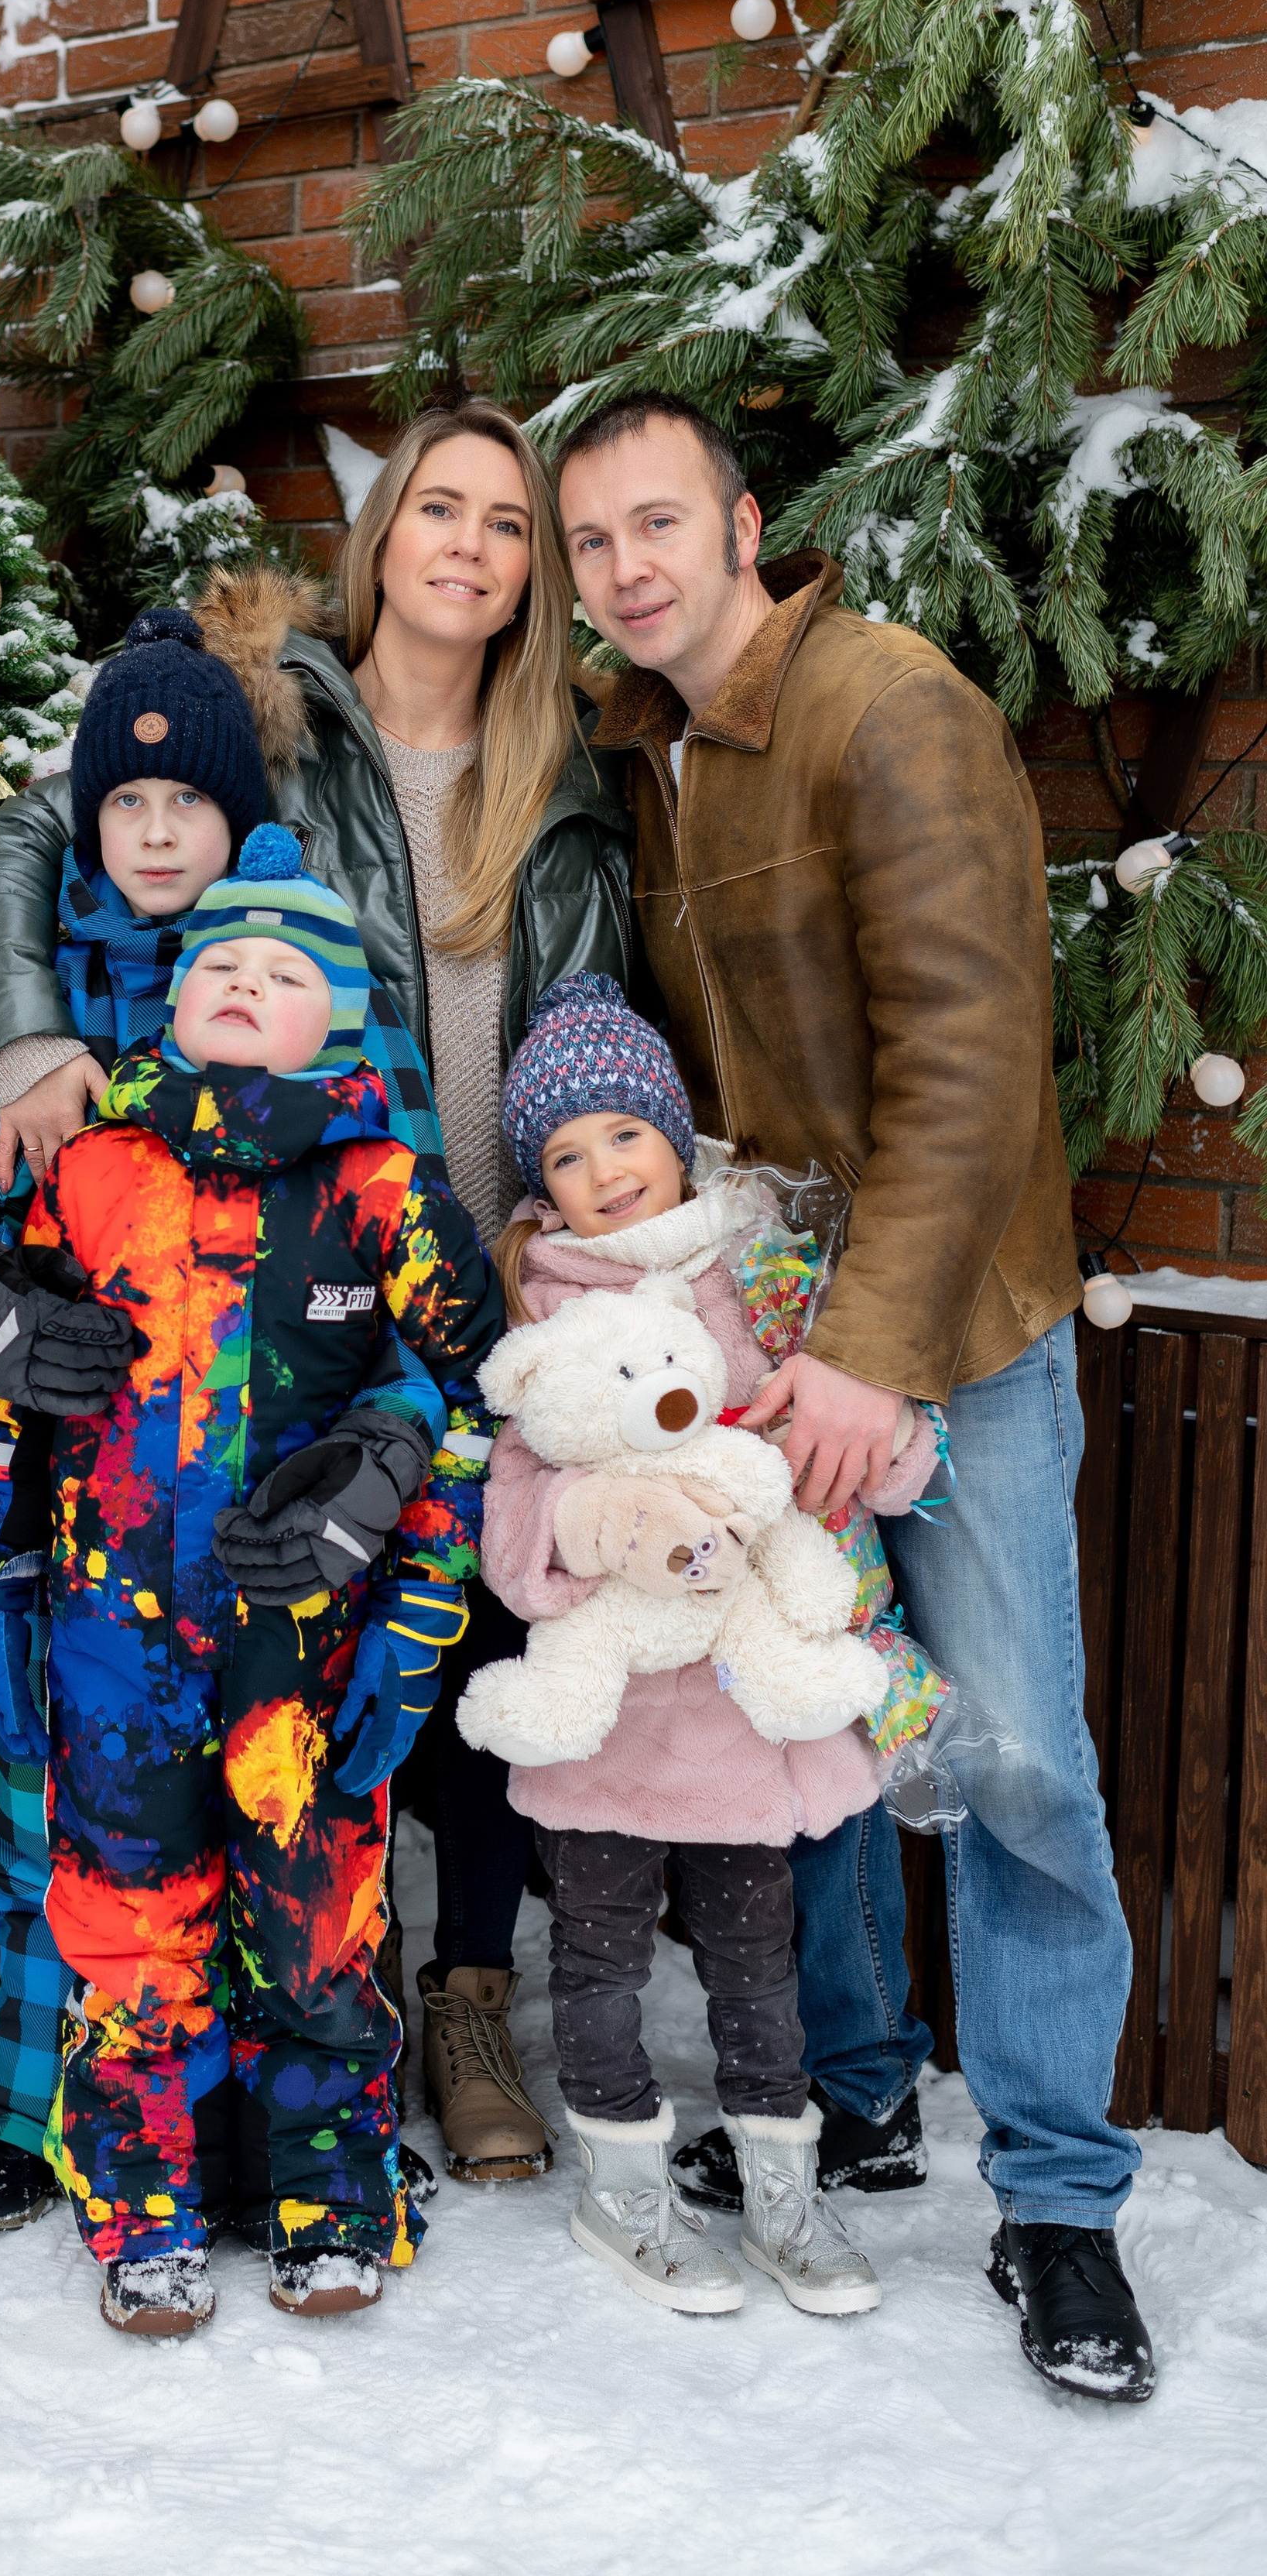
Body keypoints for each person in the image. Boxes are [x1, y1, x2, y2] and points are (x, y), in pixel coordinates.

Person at [0, 403, 632, 2181]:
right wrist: (16, 1065)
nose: (468, 545)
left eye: (507, 522)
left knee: (381, 1716)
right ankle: (105, 2114)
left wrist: (423, 1407)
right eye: (439, 509)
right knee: (112, 1766)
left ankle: (400, 2039)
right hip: (188, 1351)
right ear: (385, 529)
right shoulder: (270, 724)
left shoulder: (568, 757)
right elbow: (51, 821)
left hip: (442, 1261)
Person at [561, 389, 1153, 2401]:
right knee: (799, 1719)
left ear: (744, 526)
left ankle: (1061, 2203)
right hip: (782, 1326)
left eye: (659, 524)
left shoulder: (888, 704)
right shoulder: (660, 758)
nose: (628, 568)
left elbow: (975, 1058)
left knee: (1016, 1763)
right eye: (595, 543)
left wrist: (876, 1355)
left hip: (950, 1333)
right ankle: (859, 2087)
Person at [0, 608, 442, 2234]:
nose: (151, 832)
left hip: (279, 1514)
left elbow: (411, 1260)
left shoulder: (301, 980)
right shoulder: (48, 1002)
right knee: (66, 1825)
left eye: (183, 804)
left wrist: (390, 1470)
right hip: (90, 1510)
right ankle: (41, 2115)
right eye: (121, 804)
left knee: (295, 1838)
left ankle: (286, 2140)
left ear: (237, 823)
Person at [0, 826, 505, 2335]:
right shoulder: (92, 1173)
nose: (248, 985)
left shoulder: (379, 1191)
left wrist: (412, 1606)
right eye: (221, 966)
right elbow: (10, 1401)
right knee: (131, 1934)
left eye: (286, 971)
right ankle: (144, 2212)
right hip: (112, 1643)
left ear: (337, 1015)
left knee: (315, 1929)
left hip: (301, 1655)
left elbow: (478, 1398)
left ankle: (331, 2198)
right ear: (174, 999)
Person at [478, 971, 943, 2320]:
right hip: (614, 1723)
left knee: (758, 1960)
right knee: (605, 1959)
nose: (601, 1172)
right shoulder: (545, 1314)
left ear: (674, 1135)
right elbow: (512, 1532)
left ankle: (783, 2195)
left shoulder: (768, 1270)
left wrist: (885, 1442)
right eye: (564, 1157)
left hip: (745, 1723)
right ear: (542, 1192)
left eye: (621, 1134)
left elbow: (865, 1451)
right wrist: (592, 1517)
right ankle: (626, 2194)